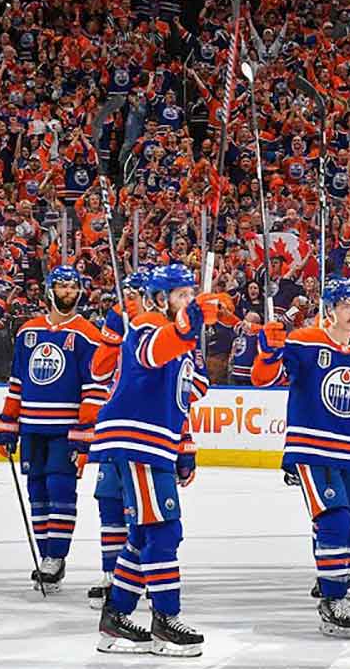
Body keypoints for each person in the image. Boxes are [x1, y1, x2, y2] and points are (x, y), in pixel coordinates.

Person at [90, 263, 226, 656]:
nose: (186, 301)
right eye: (180, 295)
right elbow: (153, 352)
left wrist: (184, 446)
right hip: (138, 440)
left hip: (157, 441)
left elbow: (189, 392)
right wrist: (190, 324)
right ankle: (165, 618)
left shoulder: (178, 339)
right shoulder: (147, 324)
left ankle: (116, 616)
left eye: (189, 295)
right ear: (160, 299)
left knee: (144, 534)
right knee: (165, 530)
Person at [253, 279, 350, 639]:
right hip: (313, 450)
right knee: (335, 519)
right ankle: (333, 599)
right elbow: (263, 379)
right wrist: (269, 351)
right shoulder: (304, 341)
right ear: (329, 309)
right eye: (345, 305)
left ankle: (334, 583)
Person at [0, 266, 113, 594]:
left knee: (60, 490)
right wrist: (7, 423)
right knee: (37, 493)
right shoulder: (27, 332)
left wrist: (85, 432)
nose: (68, 292)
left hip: (65, 429)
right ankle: (45, 554)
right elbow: (17, 383)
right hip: (32, 426)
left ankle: (56, 558)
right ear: (49, 290)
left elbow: (94, 389)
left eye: (73, 286)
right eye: (62, 286)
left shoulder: (89, 334)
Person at [87, 269, 148, 610]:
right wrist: (112, 335)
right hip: (114, 432)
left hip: (149, 435)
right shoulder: (119, 327)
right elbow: (98, 372)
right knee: (109, 502)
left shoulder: (166, 335)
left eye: (136, 295)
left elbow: (192, 386)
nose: (130, 301)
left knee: (145, 511)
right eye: (128, 295)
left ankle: (148, 577)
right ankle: (112, 574)